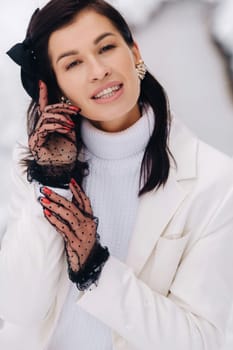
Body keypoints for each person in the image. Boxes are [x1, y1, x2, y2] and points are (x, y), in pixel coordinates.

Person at [1, 0, 233, 349]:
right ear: (55, 86)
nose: (98, 70)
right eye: (74, 63)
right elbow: (19, 310)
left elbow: (200, 341)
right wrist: (53, 182)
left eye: (106, 47)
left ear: (135, 52)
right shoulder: (35, 164)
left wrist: (95, 266)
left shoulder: (215, 181)